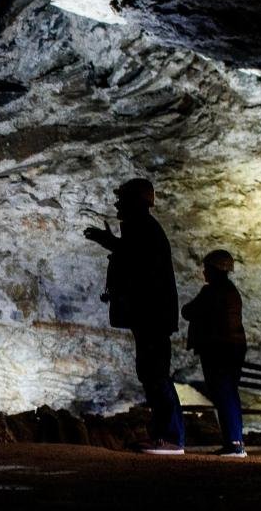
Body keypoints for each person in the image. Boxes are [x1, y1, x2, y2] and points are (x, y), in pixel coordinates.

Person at [84, 178, 185, 455]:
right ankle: (167, 436)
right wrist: (113, 244)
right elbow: (134, 258)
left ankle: (170, 438)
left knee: (155, 374)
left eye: (122, 198)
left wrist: (111, 244)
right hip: (151, 315)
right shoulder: (142, 229)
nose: (117, 203)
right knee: (154, 373)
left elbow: (137, 263)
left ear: (136, 201)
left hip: (151, 315)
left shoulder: (143, 229)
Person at [181, 249, 247, 458]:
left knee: (223, 393)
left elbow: (188, 311)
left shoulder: (212, 291)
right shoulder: (231, 291)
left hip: (218, 348)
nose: (204, 273)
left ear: (214, 270)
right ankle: (235, 440)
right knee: (229, 393)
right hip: (234, 348)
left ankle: (234, 444)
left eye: (207, 269)